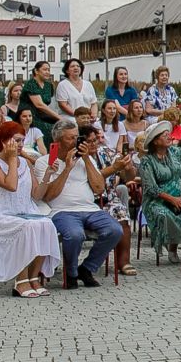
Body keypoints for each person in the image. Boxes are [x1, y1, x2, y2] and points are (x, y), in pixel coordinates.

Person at [0, 121, 60, 297]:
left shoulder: (26, 163)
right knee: (27, 227)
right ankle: (20, 280)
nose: (21, 145)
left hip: (25, 211)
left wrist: (47, 175)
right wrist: (13, 159)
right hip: (1, 215)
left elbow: (36, 195)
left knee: (46, 224)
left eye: (23, 141)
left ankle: (34, 277)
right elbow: (11, 185)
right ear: (5, 141)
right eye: (17, 141)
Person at [36, 121, 124, 288]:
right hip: (61, 211)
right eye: (72, 138)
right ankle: (71, 273)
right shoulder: (45, 162)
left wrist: (85, 159)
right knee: (75, 235)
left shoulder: (87, 158)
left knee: (115, 230)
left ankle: (87, 268)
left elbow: (98, 188)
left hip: (90, 209)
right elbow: (48, 196)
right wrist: (67, 168)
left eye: (78, 137)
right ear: (58, 140)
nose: (78, 141)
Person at [138, 121, 181, 264]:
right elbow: (151, 188)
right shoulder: (146, 161)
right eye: (164, 135)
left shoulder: (176, 152)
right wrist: (172, 199)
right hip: (156, 200)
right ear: (155, 141)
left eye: (169, 134)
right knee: (164, 215)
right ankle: (170, 247)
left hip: (179, 195)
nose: (169, 136)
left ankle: (177, 247)